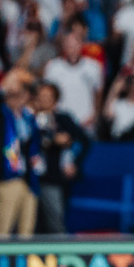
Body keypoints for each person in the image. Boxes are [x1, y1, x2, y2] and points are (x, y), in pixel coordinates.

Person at [0, 72, 44, 238]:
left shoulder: (29, 118)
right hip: (9, 179)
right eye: (12, 95)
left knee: (27, 231)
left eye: (20, 94)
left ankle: (25, 257)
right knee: (3, 230)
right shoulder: (1, 115)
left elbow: (34, 144)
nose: (16, 99)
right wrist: (6, 85)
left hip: (29, 180)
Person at [33, 82, 88, 234]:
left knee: (55, 223)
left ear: (55, 99)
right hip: (31, 181)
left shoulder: (63, 119)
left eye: (48, 97)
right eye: (41, 96)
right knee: (31, 225)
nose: (43, 100)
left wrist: (74, 163)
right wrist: (52, 140)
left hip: (53, 180)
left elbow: (84, 141)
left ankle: (58, 249)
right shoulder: (29, 118)